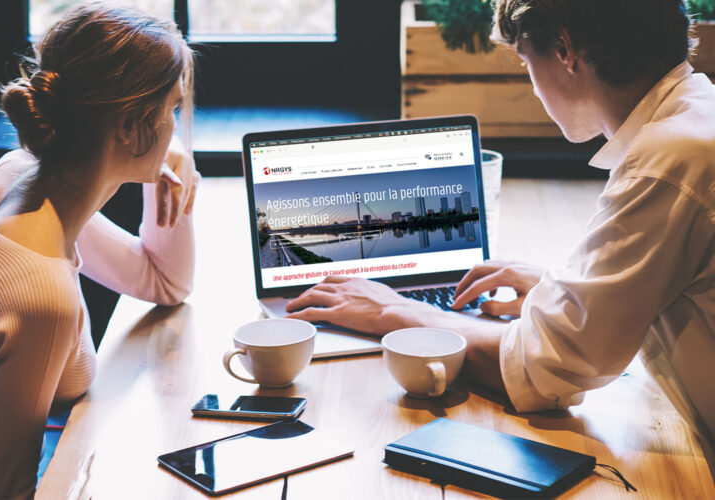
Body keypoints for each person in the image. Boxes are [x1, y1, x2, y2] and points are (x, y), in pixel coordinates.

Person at [286, 0, 715, 475]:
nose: (532, 87)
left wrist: (399, 312)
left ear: (564, 49)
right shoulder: (696, 119)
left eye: (526, 64)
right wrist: (559, 287)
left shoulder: (671, 158)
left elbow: (543, 372)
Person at [0, 3, 199, 498]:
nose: (177, 128)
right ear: (129, 129)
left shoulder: (21, 178)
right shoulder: (41, 295)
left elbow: (165, 283)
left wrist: (167, 171)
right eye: (172, 111)